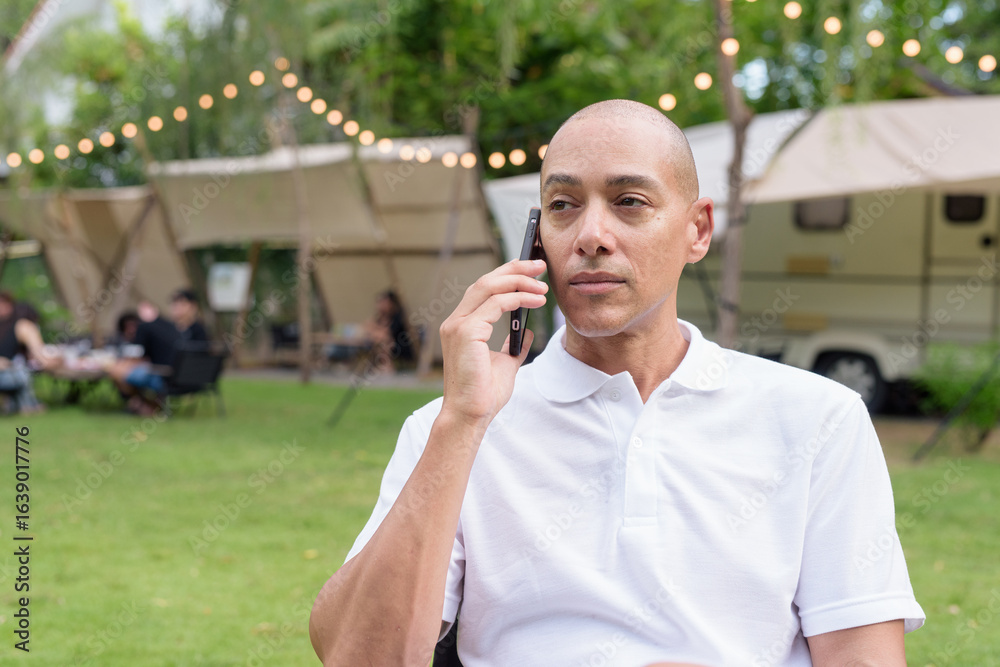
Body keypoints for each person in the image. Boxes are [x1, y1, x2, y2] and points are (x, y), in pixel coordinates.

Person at [309, 100, 924, 666]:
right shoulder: (451, 429)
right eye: (562, 205)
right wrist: (462, 424)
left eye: (629, 201)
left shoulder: (818, 419)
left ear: (698, 230)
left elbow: (862, 656)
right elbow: (358, 659)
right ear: (537, 237)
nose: (590, 237)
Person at [0, 292, 61, 414]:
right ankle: (27, 405)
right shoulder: (22, 327)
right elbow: (42, 357)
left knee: (20, 373)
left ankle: (21, 405)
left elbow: (40, 356)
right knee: (21, 374)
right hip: (11, 374)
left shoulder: (21, 326)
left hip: (10, 373)